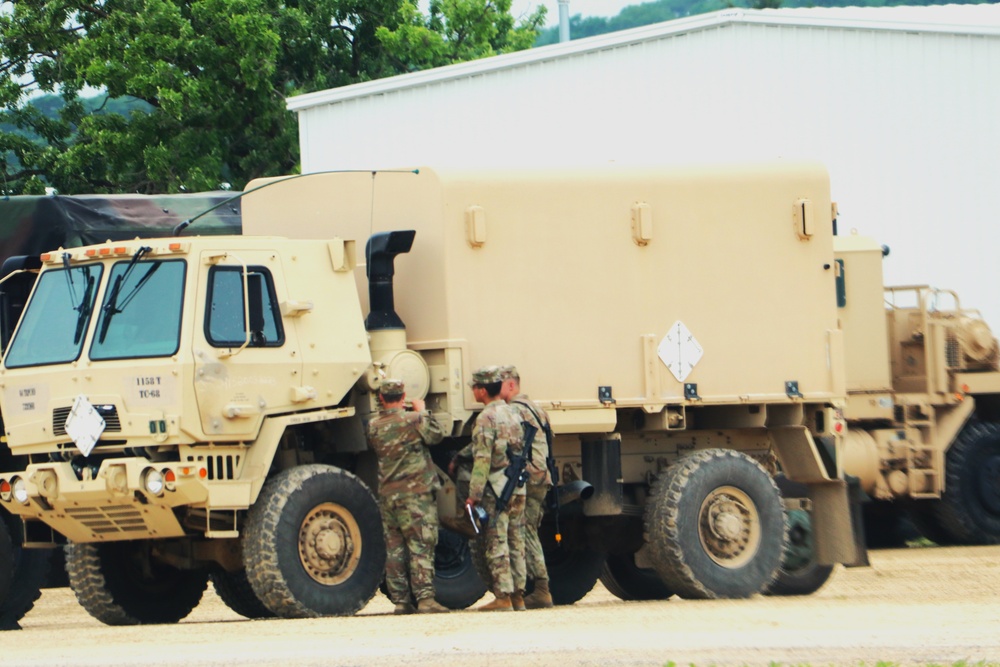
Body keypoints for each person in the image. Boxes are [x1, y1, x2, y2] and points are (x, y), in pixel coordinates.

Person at [366, 378, 450, 615]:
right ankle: (425, 599)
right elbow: (435, 436)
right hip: (416, 496)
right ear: (403, 397)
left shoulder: (373, 425)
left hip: (388, 495)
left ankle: (401, 601)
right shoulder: (414, 420)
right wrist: (422, 411)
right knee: (421, 544)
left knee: (395, 548)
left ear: (381, 398)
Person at [465, 365, 527, 611]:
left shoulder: (486, 418)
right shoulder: (513, 413)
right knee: (516, 539)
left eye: (474, 388)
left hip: (496, 488)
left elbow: (482, 460)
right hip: (517, 485)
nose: (473, 391)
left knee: (497, 540)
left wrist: (473, 495)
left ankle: (503, 596)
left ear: (481, 390)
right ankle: (519, 595)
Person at [500, 365, 555, 609]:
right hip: (542, 476)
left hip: (528, 477)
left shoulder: (514, 410)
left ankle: (541, 589)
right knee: (528, 529)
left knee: (524, 531)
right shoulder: (538, 409)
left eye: (500, 383)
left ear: (512, 385)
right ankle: (537, 588)